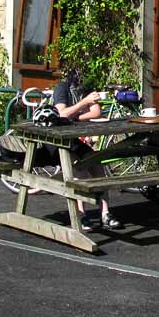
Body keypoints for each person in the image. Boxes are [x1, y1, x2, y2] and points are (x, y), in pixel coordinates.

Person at [53, 69, 122, 231]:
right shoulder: (62, 88)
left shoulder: (86, 88)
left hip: (77, 140)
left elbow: (96, 112)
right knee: (81, 169)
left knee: (98, 165)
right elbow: (62, 114)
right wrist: (84, 103)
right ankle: (81, 214)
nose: (82, 80)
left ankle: (105, 213)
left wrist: (76, 117)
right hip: (58, 141)